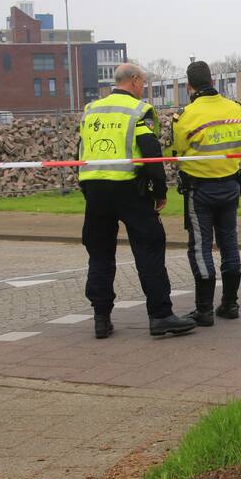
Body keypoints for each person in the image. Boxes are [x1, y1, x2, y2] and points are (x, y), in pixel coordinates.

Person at [78, 63, 196, 339]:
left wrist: (86, 187)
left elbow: (81, 150)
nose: (143, 87)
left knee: (100, 254)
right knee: (149, 251)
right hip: (130, 190)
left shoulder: (90, 110)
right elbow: (150, 152)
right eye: (142, 82)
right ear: (133, 80)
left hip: (95, 191)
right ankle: (160, 316)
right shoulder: (137, 110)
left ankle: (101, 318)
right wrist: (159, 192)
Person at [171, 61, 241, 326]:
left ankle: (203, 309)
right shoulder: (237, 110)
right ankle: (230, 303)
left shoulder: (185, 117)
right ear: (213, 82)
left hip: (199, 190)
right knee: (230, 244)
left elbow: (178, 153)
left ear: (189, 86)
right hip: (230, 186)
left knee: (200, 247)